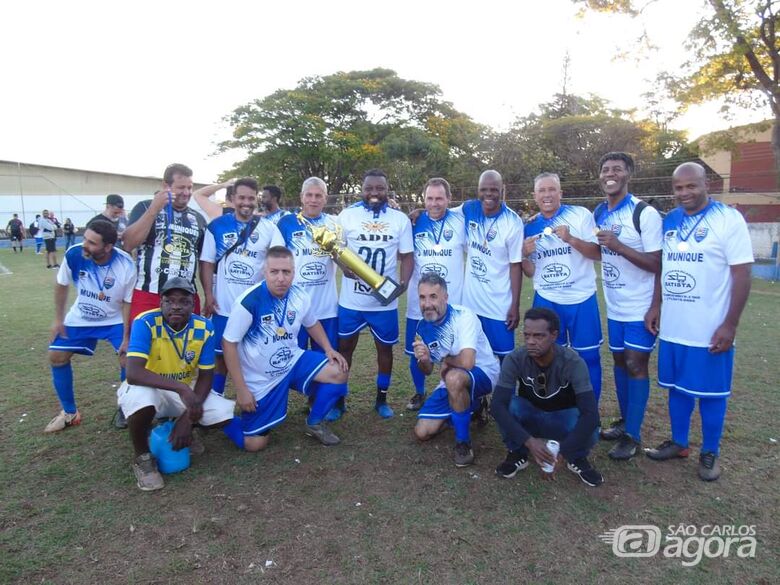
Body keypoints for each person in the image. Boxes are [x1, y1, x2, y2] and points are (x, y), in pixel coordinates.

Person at [644, 162, 753, 481]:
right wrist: (656, 304)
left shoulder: (728, 219)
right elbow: (664, 266)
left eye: (691, 186)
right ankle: (679, 443)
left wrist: (730, 324)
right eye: (678, 187)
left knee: (710, 393)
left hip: (710, 329)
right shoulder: (671, 220)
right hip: (675, 327)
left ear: (707, 185)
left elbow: (742, 273)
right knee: (677, 389)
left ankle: (710, 452)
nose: (684, 192)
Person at [221, 247, 350, 450]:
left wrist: (328, 349)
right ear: (265, 272)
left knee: (338, 370)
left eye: (286, 272)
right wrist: (242, 390)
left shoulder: (299, 295)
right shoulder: (249, 302)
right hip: (261, 378)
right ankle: (221, 419)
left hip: (292, 361)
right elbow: (228, 343)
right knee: (255, 444)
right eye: (274, 272)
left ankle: (314, 422)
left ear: (293, 272)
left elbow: (312, 323)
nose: (281, 278)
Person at [118, 277, 236, 491]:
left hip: (179, 392)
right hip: (148, 388)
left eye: (183, 301)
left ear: (193, 304)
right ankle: (143, 458)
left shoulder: (204, 327)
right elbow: (133, 373)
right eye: (169, 301)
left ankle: (179, 428)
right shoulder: (145, 322)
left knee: (222, 414)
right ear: (160, 303)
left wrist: (187, 420)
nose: (176, 306)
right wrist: (182, 389)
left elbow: (206, 377)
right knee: (141, 401)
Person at [593, 152, 663, 461]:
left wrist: (655, 306)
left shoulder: (643, 214)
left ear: (628, 175)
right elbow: (597, 252)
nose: (611, 174)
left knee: (636, 364)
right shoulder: (599, 212)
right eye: (606, 169)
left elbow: (658, 264)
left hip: (640, 307)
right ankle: (625, 422)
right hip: (615, 306)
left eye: (617, 169)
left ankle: (633, 435)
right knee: (620, 363)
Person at [490, 308, 603, 487]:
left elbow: (591, 415)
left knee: (589, 426)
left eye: (538, 336)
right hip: (531, 417)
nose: (531, 342)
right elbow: (497, 406)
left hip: (562, 419)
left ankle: (576, 457)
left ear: (554, 335)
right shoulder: (516, 359)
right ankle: (518, 452)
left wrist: (563, 451)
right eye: (527, 335)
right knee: (510, 406)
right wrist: (529, 442)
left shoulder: (573, 362)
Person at [334, 169, 414, 419]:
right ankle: (339, 400)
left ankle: (381, 399)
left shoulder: (399, 219)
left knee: (385, 351)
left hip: (383, 303)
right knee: (345, 349)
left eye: (380, 188)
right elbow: (335, 249)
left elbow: (407, 256)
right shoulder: (347, 216)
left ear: (387, 189)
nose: (374, 193)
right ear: (362, 189)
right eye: (369, 188)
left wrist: (403, 282)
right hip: (352, 300)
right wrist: (342, 266)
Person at [44, 220, 136, 432]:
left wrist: (126, 337)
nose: (85, 244)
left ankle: (127, 407)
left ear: (108, 247)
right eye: (85, 238)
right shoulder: (74, 254)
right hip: (81, 318)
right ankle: (69, 412)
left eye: (92, 243)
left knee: (129, 359)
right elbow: (61, 284)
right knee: (56, 356)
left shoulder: (126, 265)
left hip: (114, 319)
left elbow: (128, 302)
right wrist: (58, 319)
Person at [522, 173, 603, 403]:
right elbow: (530, 271)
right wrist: (524, 254)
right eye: (542, 191)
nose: (547, 195)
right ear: (535, 196)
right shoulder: (529, 226)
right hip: (547, 300)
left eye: (551, 190)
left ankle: (589, 413)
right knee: (547, 358)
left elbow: (597, 254)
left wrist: (571, 239)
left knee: (589, 358)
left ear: (560, 193)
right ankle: (555, 408)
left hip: (581, 298)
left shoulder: (580, 215)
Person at [199, 177, 284, 395]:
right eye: (241, 198)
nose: (246, 203)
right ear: (231, 199)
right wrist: (208, 295)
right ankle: (216, 399)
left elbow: (278, 263)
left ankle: (256, 399)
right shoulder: (216, 227)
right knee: (220, 356)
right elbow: (207, 263)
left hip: (255, 308)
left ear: (256, 199)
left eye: (250, 198)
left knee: (255, 354)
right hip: (223, 306)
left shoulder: (268, 228)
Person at [412, 274, 499, 467]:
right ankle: (475, 406)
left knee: (453, 378)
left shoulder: (463, 316)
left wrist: (447, 362)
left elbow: (468, 362)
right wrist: (424, 359)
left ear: (445, 297)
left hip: (484, 371)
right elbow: (426, 370)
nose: (427, 303)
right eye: (422, 297)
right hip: (453, 378)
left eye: (433, 296)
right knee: (422, 432)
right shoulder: (422, 326)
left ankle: (463, 443)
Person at [404, 178, 467, 411]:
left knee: (454, 350)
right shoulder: (413, 223)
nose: (434, 203)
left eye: (439, 198)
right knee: (416, 351)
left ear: (449, 199)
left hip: (452, 303)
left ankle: (449, 390)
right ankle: (419, 393)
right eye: (429, 198)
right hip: (418, 303)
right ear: (424, 200)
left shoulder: (461, 220)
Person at [123, 163, 207, 322]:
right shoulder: (145, 207)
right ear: (165, 186)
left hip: (186, 296)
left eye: (190, 188)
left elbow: (203, 261)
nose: (186, 192)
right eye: (181, 187)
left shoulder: (198, 219)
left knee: (185, 345)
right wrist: (154, 209)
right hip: (149, 293)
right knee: (145, 343)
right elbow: (128, 244)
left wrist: (208, 295)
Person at [461, 170, 524, 359]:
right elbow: (441, 211)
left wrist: (515, 305)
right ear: (478, 190)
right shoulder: (469, 209)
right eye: (483, 189)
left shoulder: (513, 222)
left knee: (505, 358)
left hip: (499, 307)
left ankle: (508, 391)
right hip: (470, 305)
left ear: (502, 190)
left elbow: (515, 266)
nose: (488, 194)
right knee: (472, 357)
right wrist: (419, 213)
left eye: (493, 189)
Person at [276, 177, 339, 353]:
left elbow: (346, 257)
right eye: (309, 195)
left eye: (318, 195)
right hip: (294, 307)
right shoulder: (286, 223)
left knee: (326, 359)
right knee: (294, 359)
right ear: (301, 197)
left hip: (326, 309)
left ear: (325, 198)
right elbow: (277, 260)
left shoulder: (335, 224)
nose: (313, 200)